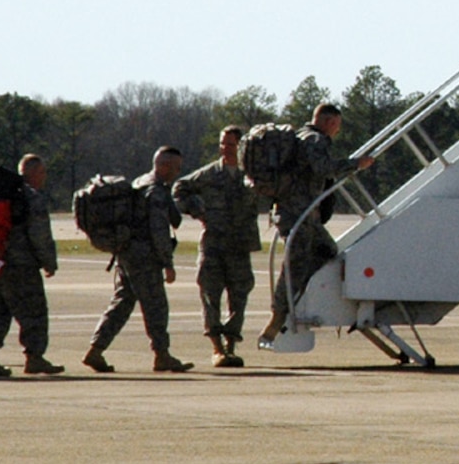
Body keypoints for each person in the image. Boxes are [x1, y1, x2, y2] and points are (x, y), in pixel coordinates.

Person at [263, 104, 375, 339]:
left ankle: (300, 298)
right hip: (299, 215)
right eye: (337, 125)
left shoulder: (299, 137)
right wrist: (355, 164)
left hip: (301, 215)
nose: (337, 131)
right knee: (295, 266)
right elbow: (323, 168)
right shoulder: (315, 140)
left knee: (327, 251)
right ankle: (279, 314)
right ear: (330, 122)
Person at [83, 146, 193, 374]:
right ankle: (162, 355)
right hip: (144, 257)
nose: (177, 173)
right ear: (163, 166)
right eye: (175, 168)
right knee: (156, 306)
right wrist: (168, 264)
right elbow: (159, 231)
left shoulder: (140, 182)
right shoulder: (156, 192)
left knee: (121, 304)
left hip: (126, 254)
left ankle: (95, 350)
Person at [173, 126, 263, 367]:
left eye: (230, 144)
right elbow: (179, 189)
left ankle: (231, 346)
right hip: (213, 244)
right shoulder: (210, 174)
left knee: (239, 297)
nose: (225, 149)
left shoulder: (252, 174)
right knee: (210, 295)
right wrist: (198, 210)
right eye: (222, 144)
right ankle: (217, 348)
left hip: (240, 246)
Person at [0, 154, 62, 378]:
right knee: (34, 312)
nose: (44, 177)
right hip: (21, 266)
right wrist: (49, 262)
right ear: (33, 173)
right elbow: (40, 235)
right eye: (42, 172)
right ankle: (34, 358)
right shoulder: (31, 197)